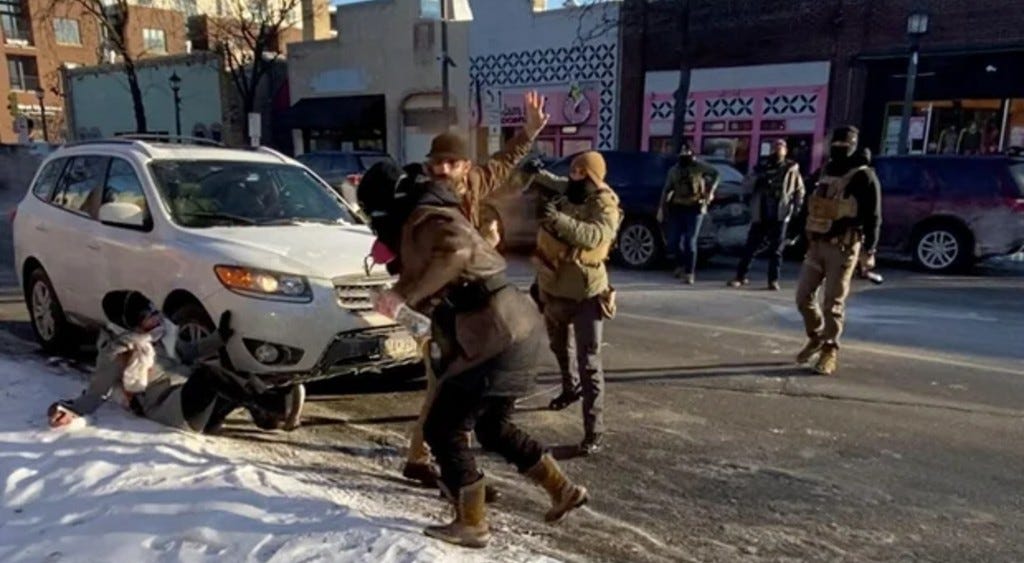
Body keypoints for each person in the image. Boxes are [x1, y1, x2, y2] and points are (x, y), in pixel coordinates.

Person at [357, 162, 588, 549]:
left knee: (442, 427)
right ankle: (562, 489)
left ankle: (471, 521)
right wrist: (402, 299)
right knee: (493, 427)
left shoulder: (424, 217)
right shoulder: (432, 212)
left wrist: (401, 296)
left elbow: (459, 251)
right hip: (516, 326)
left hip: (495, 332)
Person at [401, 91, 550, 489]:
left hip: (470, 307)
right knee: (446, 387)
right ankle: (433, 462)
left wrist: (529, 132)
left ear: (465, 166)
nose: (444, 169)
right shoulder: (421, 197)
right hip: (443, 305)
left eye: (452, 162)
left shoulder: (475, 183)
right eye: (437, 163)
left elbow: (504, 163)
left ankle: (437, 462)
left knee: (453, 388)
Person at [47, 290, 303, 433]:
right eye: (148, 316)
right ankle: (275, 404)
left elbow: (189, 352)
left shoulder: (160, 334)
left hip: (196, 402)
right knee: (209, 375)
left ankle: (268, 417)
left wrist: (219, 338)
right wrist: (69, 410)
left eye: (153, 310)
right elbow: (96, 392)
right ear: (130, 324)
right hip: (172, 410)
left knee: (229, 373)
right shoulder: (117, 351)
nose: (156, 317)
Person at [531, 152, 621, 454]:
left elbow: (594, 236)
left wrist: (556, 218)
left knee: (590, 363)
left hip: (587, 293)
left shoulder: (605, 205)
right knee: (559, 347)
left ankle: (594, 430)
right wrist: (532, 168)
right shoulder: (570, 189)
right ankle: (570, 389)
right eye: (572, 169)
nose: (573, 175)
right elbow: (549, 181)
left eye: (580, 171)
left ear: (593, 176)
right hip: (554, 287)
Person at [795, 126, 882, 376]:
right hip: (817, 245)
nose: (838, 150)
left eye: (844, 146)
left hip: (843, 247)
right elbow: (811, 205)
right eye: (836, 145)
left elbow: (874, 217)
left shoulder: (864, 176)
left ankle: (829, 350)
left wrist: (870, 250)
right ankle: (816, 336)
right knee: (803, 298)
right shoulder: (826, 170)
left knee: (832, 302)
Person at [729, 139, 805, 290]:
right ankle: (740, 276)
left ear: (786, 150)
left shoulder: (791, 168)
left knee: (776, 250)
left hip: (780, 213)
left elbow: (799, 190)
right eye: (775, 147)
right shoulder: (761, 167)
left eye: (781, 147)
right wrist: (758, 178)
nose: (778, 150)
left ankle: (773, 280)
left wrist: (796, 208)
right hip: (761, 213)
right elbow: (746, 185)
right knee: (751, 247)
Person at [657, 143, 720, 284]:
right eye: (682, 153)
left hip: (695, 208)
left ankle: (689, 272)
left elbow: (716, 174)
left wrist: (711, 192)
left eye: (687, 152)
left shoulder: (698, 167)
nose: (685, 155)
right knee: (672, 241)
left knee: (690, 241)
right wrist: (661, 208)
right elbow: (666, 189)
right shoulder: (674, 170)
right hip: (678, 207)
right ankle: (680, 265)